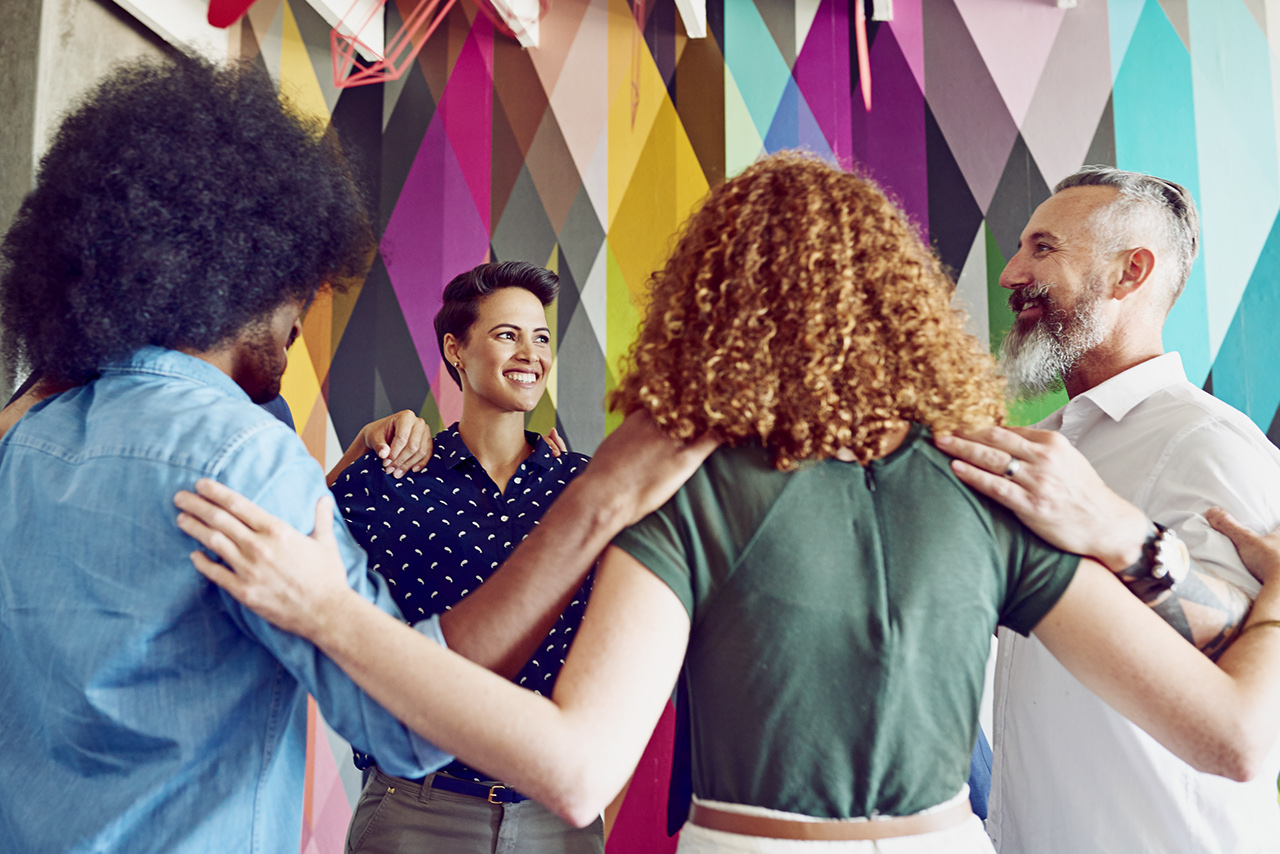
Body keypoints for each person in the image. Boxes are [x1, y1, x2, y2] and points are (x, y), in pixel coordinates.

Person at [176, 153, 1280, 853]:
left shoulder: (681, 488)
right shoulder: (990, 483)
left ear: (714, 300)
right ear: (894, 301)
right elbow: (1234, 736)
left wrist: (332, 613)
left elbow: (570, 769)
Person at [0, 53, 707, 854]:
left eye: (541, 337)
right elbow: (408, 730)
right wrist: (602, 498)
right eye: (301, 281)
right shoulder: (249, 457)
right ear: (245, 266)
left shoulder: (26, 438)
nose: (304, 311)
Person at [935, 166, 1280, 853]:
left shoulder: (1207, 442)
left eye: (1043, 248)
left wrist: (1128, 539)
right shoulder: (1052, 441)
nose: (1009, 274)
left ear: (1130, 273)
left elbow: (1243, 660)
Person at [334, 261, 602, 854]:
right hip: (418, 812)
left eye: (540, 337)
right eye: (507, 334)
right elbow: (295, 552)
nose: (530, 353)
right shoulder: (395, 475)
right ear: (455, 350)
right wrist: (356, 451)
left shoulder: (585, 488)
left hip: (556, 815)